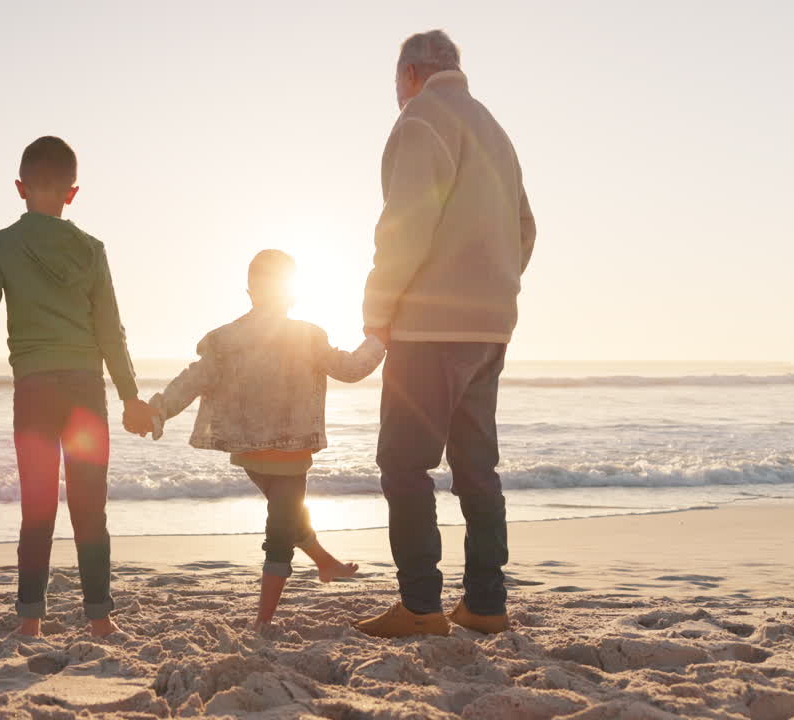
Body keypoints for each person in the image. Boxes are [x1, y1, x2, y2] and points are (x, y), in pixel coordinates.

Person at [354, 30, 536, 638]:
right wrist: (494, 285)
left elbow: (404, 228)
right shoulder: (493, 129)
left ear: (409, 74)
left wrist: (376, 311)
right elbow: (526, 226)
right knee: (477, 467)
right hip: (490, 328)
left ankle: (421, 606)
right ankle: (486, 603)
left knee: (404, 466)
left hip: (428, 330)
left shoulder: (421, 120)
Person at [0, 136, 152, 637]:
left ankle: (29, 621)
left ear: (19, 188)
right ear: (73, 193)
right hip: (86, 393)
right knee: (91, 508)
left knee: (37, 506)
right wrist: (130, 396)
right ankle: (100, 619)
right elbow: (112, 331)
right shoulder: (92, 250)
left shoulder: (1, 245)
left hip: (36, 393)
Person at [148, 250, 383, 628]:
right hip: (291, 451)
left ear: (249, 292)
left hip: (249, 451)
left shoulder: (224, 340)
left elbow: (193, 379)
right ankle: (262, 623)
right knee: (280, 531)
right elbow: (352, 369)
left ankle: (325, 563)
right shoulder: (308, 336)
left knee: (284, 514)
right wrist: (378, 338)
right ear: (291, 294)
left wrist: (158, 410)